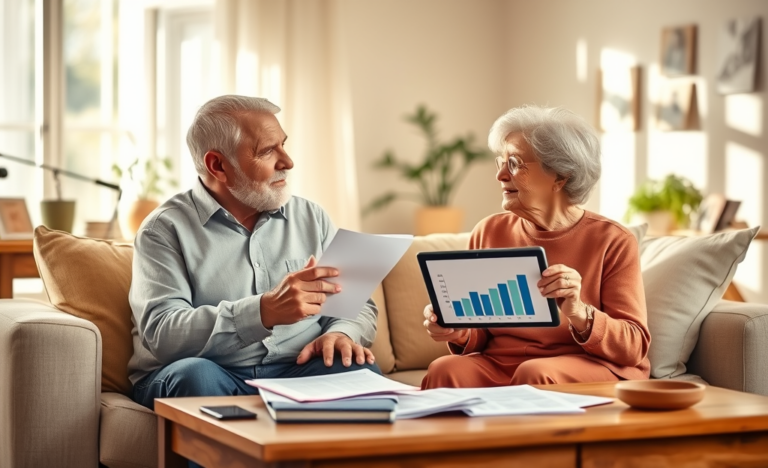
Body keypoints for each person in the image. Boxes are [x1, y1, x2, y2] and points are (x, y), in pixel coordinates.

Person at [129, 95, 379, 412]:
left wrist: (342, 333)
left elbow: (357, 304)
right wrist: (263, 311)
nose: (287, 162)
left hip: (296, 370)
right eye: (267, 151)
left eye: (283, 145)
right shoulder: (163, 231)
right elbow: (164, 334)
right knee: (196, 378)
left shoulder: (311, 216)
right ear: (217, 165)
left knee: (359, 371)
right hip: (210, 370)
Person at [421, 105, 650, 389]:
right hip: (504, 363)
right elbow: (480, 331)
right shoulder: (489, 232)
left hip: (587, 363)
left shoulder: (613, 240)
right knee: (444, 370)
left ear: (560, 176)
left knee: (534, 375)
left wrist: (579, 311)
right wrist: (457, 331)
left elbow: (633, 346)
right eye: (500, 162)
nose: (501, 175)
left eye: (515, 163)